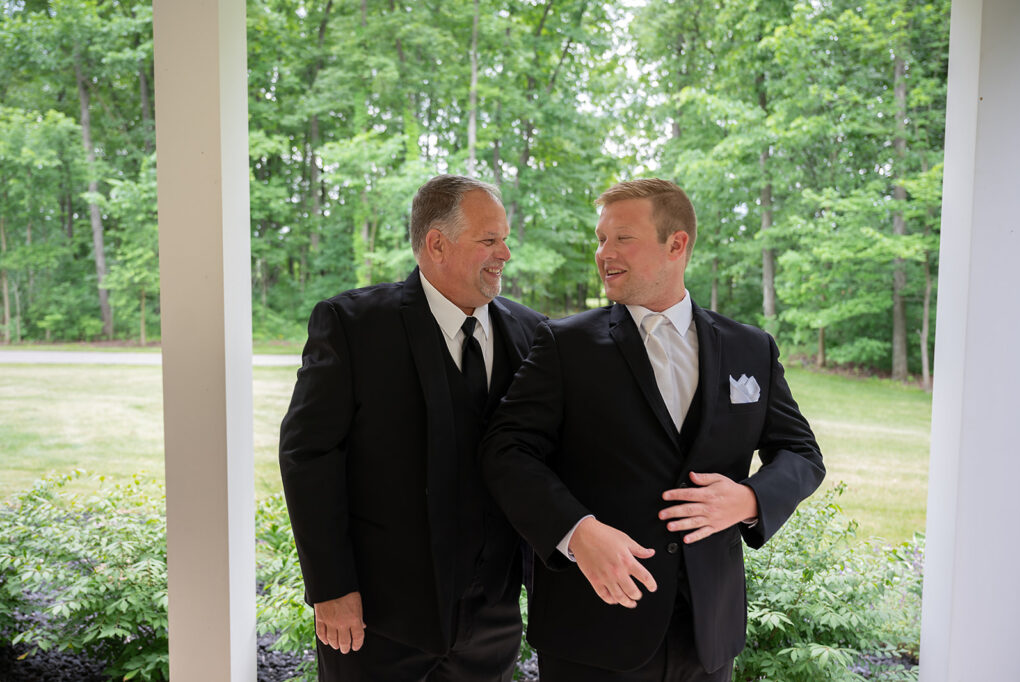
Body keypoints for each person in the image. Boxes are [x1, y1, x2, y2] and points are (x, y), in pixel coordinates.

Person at [480, 178, 825, 681]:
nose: (604, 253)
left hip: (706, 633)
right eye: (601, 239)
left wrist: (749, 499)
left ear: (677, 244)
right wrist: (576, 532)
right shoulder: (563, 344)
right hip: (593, 627)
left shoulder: (751, 349)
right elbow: (504, 451)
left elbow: (801, 453)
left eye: (622, 238)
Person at [279, 174, 546, 681]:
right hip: (377, 621)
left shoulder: (533, 333)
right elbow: (308, 456)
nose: (505, 253)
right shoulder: (352, 325)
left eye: (505, 238)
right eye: (489, 240)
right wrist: (331, 587)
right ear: (437, 244)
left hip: (492, 622)